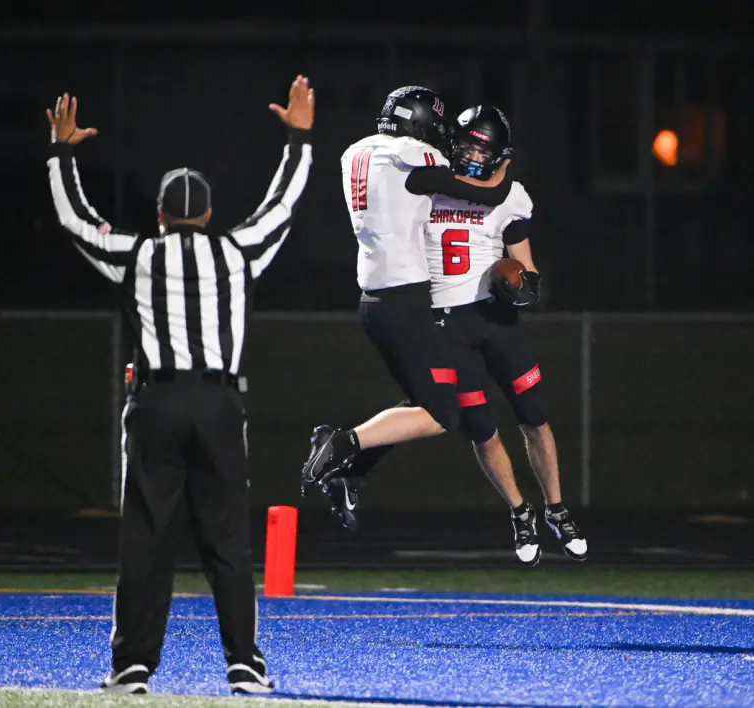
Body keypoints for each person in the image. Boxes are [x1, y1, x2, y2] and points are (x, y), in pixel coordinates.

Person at [45, 76, 314, 695]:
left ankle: (133, 666)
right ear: (210, 214)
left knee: (146, 535)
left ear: (161, 214)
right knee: (226, 537)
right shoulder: (238, 252)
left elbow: (75, 220)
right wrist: (299, 138)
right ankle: (244, 665)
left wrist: (61, 154)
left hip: (157, 402)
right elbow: (283, 206)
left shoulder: (138, 253)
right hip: (220, 401)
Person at [309, 106, 588, 567]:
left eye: (485, 147)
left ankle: (557, 509)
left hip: (495, 320)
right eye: (470, 143)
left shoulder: (509, 196)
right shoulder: (427, 177)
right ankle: (520, 513)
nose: (475, 152)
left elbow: (529, 270)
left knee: (534, 416)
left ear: (499, 153)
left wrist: (521, 286)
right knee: (478, 426)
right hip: (442, 322)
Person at [299, 86, 515, 523]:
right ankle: (340, 444)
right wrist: (506, 165)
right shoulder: (412, 156)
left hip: (374, 298)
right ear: (418, 125)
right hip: (406, 300)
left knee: (424, 400)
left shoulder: (355, 153)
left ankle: (351, 471)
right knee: (441, 414)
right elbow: (488, 194)